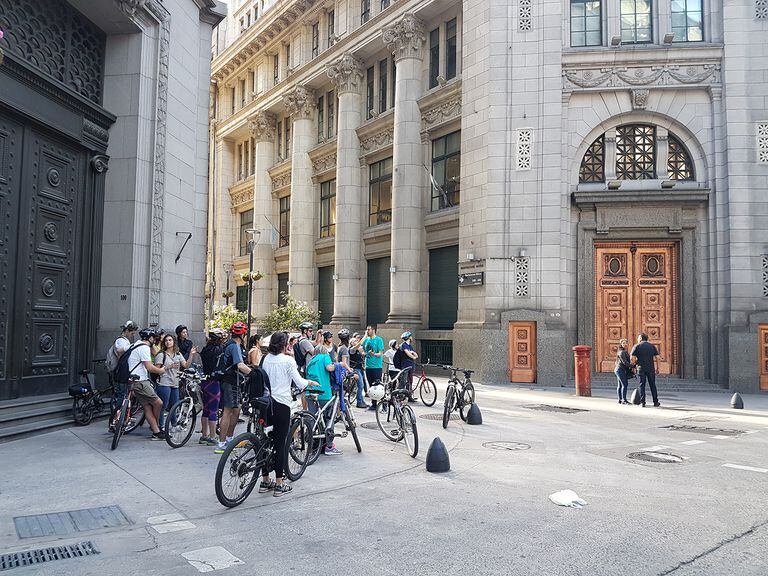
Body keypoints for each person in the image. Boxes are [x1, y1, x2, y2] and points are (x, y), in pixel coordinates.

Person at [260, 331, 318, 496]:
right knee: (280, 443)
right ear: (285, 345)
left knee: (264, 441)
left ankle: (265, 481)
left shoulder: (265, 359)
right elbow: (299, 383)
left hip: (265, 403)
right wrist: (310, 382)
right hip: (281, 405)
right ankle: (279, 483)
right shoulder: (288, 361)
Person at [215, 322, 252, 454]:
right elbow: (240, 365)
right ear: (242, 334)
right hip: (231, 382)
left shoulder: (229, 344)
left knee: (236, 411)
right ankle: (222, 444)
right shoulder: (235, 346)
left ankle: (230, 439)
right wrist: (254, 374)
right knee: (227, 411)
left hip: (230, 381)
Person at [126, 328, 166, 440]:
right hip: (141, 382)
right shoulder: (144, 348)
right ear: (150, 338)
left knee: (147, 407)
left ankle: (156, 431)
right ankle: (156, 426)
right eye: (154, 337)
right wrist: (161, 370)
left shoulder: (135, 345)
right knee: (158, 403)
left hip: (132, 380)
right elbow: (150, 367)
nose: (155, 340)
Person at [305, 345, 343, 455]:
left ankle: (312, 444)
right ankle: (329, 446)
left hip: (310, 392)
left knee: (313, 418)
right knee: (329, 419)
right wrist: (338, 365)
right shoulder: (325, 357)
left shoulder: (311, 361)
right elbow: (329, 368)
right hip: (323, 392)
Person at [154, 334, 196, 429]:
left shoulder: (178, 354)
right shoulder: (161, 354)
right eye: (166, 341)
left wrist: (191, 355)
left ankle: (174, 425)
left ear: (174, 342)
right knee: (163, 406)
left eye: (170, 340)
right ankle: (160, 426)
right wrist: (168, 367)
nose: (168, 342)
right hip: (164, 382)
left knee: (174, 405)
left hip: (175, 383)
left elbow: (185, 365)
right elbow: (156, 369)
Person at [109, 320, 139, 427]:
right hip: (121, 372)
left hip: (124, 371)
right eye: (132, 332)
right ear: (126, 330)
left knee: (124, 395)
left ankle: (122, 417)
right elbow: (119, 351)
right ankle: (116, 418)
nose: (133, 334)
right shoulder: (121, 340)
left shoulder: (125, 340)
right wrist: (132, 346)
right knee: (122, 395)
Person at [199, 329, 224, 445]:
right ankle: (213, 436)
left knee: (206, 409)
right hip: (214, 382)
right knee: (213, 410)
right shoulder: (219, 350)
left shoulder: (205, 349)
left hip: (204, 380)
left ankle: (204, 435)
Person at [338, 329, 367, 409]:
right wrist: (365, 336)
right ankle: (359, 402)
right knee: (360, 385)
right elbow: (344, 362)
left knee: (360, 385)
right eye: (354, 341)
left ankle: (360, 401)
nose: (356, 342)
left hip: (358, 369)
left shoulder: (354, 350)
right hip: (353, 370)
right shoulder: (351, 349)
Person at [630, 332, 661, 408]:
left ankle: (643, 402)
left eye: (638, 337)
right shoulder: (652, 346)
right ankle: (656, 402)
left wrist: (634, 364)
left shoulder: (637, 346)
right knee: (652, 385)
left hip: (641, 368)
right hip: (651, 369)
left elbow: (632, 358)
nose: (637, 339)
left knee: (642, 385)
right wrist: (658, 368)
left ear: (640, 338)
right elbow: (658, 357)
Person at [362, 325, 384, 411]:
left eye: (368, 330)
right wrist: (364, 353)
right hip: (368, 366)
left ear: (373, 330)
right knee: (371, 386)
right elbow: (362, 349)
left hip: (377, 366)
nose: (367, 331)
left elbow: (380, 353)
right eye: (367, 329)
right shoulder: (366, 340)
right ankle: (373, 404)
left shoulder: (379, 340)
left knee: (378, 385)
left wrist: (373, 354)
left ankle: (383, 403)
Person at [399, 332, 419, 400]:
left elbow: (416, 355)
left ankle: (409, 396)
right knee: (404, 381)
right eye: (411, 336)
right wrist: (413, 356)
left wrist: (413, 355)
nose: (412, 338)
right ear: (409, 337)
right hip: (405, 366)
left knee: (410, 381)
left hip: (411, 365)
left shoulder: (410, 346)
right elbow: (408, 354)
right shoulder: (403, 345)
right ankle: (399, 395)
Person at [614, 338, 632, 405]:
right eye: (623, 343)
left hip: (619, 370)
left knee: (620, 385)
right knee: (624, 384)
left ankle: (620, 399)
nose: (625, 344)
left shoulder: (623, 351)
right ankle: (624, 400)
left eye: (626, 343)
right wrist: (633, 366)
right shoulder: (622, 352)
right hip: (620, 370)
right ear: (621, 344)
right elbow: (625, 362)